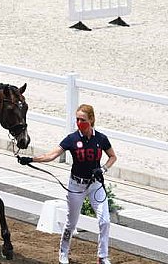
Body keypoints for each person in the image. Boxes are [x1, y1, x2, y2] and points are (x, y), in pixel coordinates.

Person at [18, 104, 116, 264]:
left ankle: (102, 256)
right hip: (76, 186)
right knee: (71, 223)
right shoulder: (72, 139)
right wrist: (31, 159)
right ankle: (63, 253)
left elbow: (112, 156)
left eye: (82, 119)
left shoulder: (101, 139)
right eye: (77, 119)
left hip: (95, 185)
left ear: (91, 120)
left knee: (104, 220)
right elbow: (52, 155)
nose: (79, 122)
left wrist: (103, 169)